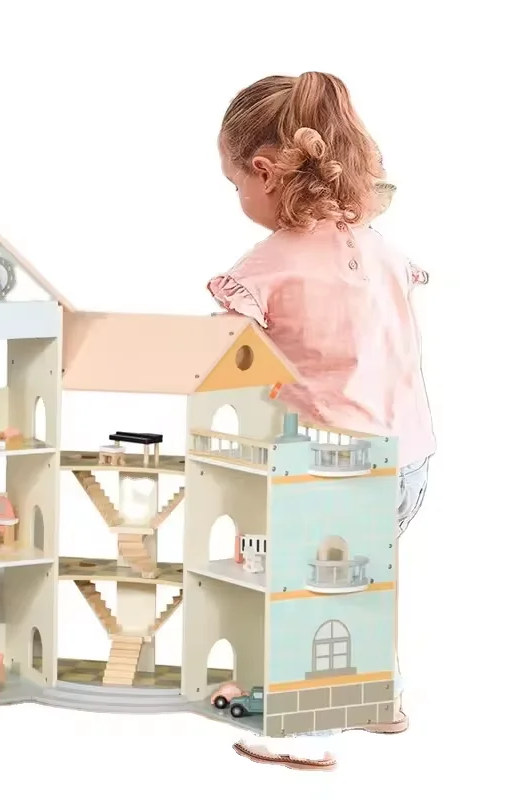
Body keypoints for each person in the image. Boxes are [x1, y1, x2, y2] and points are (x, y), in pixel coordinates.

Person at [207, 72, 435, 735]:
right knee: (367, 584)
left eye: (235, 184)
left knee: (306, 590)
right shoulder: (380, 247)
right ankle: (382, 699)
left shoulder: (270, 262)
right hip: (410, 461)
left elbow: (222, 352)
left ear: (263, 171)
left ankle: (311, 721)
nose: (238, 197)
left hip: (337, 464)